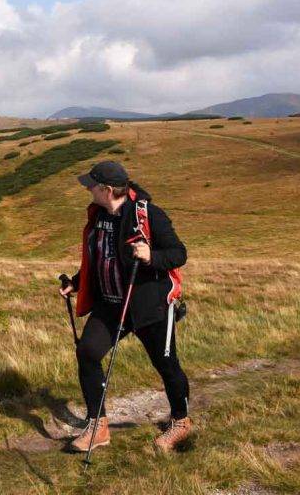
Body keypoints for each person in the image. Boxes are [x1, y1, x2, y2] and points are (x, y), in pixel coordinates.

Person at [58, 160, 192, 454]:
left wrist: (150, 257)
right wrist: (78, 282)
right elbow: (101, 257)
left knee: (166, 364)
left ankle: (181, 422)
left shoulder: (149, 215)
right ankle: (98, 425)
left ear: (106, 190)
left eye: (91, 185)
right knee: (88, 352)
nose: (88, 190)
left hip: (149, 305)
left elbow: (178, 253)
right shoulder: (98, 216)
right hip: (110, 304)